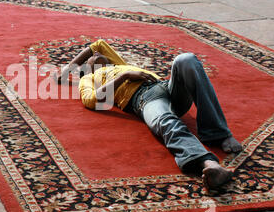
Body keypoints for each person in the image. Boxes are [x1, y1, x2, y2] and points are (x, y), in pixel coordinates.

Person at [55, 39, 242, 191]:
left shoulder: (118, 63)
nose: (96, 55)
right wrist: (123, 76)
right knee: (166, 122)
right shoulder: (89, 78)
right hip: (145, 100)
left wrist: (73, 65)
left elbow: (98, 44)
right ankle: (209, 164)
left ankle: (219, 133)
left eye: (97, 55)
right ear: (86, 69)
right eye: (91, 59)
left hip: (167, 87)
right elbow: (91, 101)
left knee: (186, 60)